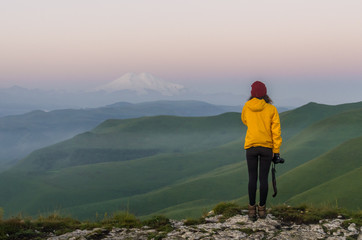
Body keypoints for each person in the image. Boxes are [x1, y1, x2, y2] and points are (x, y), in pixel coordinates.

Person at [241, 81, 282, 220]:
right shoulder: (272, 109)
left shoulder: (247, 106)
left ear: (252, 93)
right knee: (263, 179)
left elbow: (244, 120)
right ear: (265, 93)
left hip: (251, 146)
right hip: (266, 147)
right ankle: (262, 210)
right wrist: (276, 151)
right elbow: (276, 131)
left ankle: (251, 211)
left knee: (252, 178)